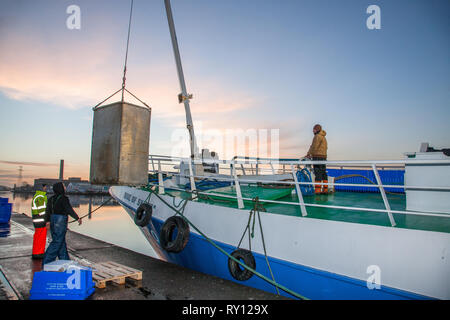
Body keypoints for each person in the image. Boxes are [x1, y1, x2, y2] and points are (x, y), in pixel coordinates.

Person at [42, 182, 82, 265]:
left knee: (61, 242)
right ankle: (46, 261)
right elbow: (69, 209)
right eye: (63, 186)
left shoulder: (51, 199)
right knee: (57, 242)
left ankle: (66, 262)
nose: (65, 187)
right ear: (60, 188)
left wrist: (47, 221)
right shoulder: (64, 198)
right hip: (60, 221)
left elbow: (47, 211)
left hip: (53, 220)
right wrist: (77, 218)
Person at [306, 124, 329, 194]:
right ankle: (325, 190)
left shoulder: (317, 136)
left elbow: (314, 147)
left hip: (317, 157)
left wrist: (309, 154)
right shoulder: (324, 137)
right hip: (324, 157)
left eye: (314, 129)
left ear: (317, 130)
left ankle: (318, 191)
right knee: (323, 173)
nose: (313, 131)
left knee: (317, 173)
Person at [31, 184, 48, 259]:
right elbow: (42, 211)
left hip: (37, 219)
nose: (46, 188)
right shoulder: (40, 197)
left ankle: (37, 252)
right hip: (40, 220)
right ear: (41, 188)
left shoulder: (38, 196)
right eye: (44, 186)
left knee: (38, 236)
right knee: (40, 237)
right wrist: (48, 220)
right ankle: (38, 253)